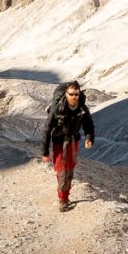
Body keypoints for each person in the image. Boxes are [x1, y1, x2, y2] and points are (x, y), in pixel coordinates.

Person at [41, 81, 94, 211]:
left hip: (73, 142)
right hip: (59, 142)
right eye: (71, 94)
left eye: (76, 94)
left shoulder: (82, 108)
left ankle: (65, 194)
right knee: (63, 171)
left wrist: (89, 138)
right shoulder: (57, 108)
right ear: (66, 94)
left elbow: (89, 125)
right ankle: (63, 200)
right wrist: (45, 152)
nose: (74, 97)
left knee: (70, 170)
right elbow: (47, 130)